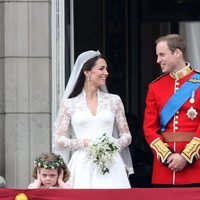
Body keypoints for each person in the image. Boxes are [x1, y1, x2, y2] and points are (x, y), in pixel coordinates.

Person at [53, 50, 134, 188]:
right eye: (101, 68)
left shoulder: (114, 100)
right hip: (82, 164)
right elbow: (59, 140)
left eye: (106, 69)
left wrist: (112, 144)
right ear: (87, 72)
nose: (106, 73)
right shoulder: (69, 104)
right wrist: (84, 142)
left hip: (111, 163)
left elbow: (127, 136)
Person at [143, 34, 200, 187]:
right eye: (157, 55)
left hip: (195, 170)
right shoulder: (155, 87)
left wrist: (186, 156)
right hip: (164, 171)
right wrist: (167, 156)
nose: (158, 60)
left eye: (162, 54)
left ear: (177, 53)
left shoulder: (198, 82)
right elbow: (149, 129)